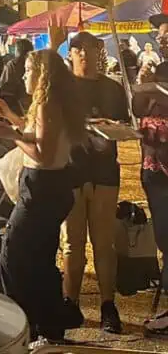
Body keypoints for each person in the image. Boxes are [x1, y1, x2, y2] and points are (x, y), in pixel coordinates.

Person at [0, 47, 85, 345]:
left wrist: (12, 137)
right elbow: (41, 136)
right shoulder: (52, 103)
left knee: (14, 254)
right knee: (40, 258)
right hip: (52, 187)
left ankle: (26, 323)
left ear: (43, 74)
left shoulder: (47, 105)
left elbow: (43, 154)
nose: (24, 76)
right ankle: (48, 325)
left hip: (42, 187)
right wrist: (12, 119)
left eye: (29, 70)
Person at [58, 31, 129, 333]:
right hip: (71, 173)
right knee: (72, 246)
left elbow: (124, 126)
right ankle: (69, 304)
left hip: (104, 174)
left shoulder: (112, 88)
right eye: (79, 50)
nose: (85, 55)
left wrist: (111, 128)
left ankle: (108, 306)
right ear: (71, 54)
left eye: (90, 49)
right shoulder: (64, 86)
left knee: (104, 244)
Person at [132, 62, 168, 334]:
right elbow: (135, 110)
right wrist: (141, 85)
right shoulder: (152, 84)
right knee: (164, 237)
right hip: (154, 173)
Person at [0, 38, 34, 115]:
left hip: (15, 105)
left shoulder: (11, 65)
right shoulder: (34, 64)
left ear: (18, 50)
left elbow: (3, 85)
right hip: (31, 102)